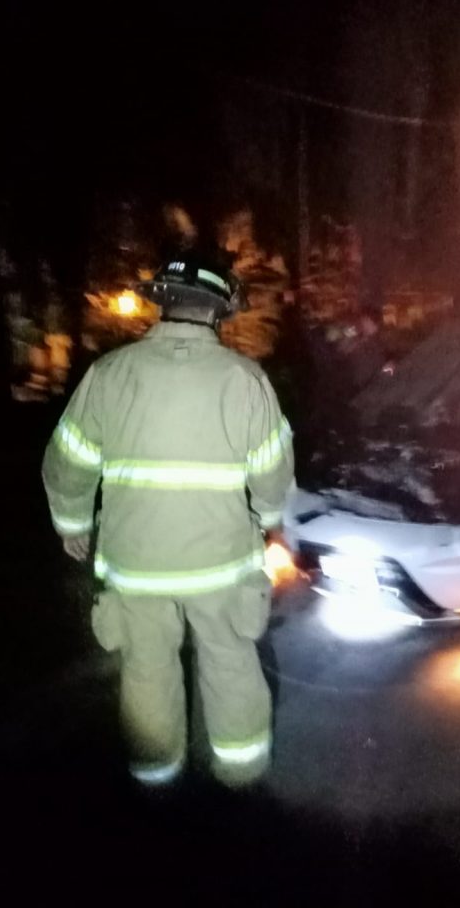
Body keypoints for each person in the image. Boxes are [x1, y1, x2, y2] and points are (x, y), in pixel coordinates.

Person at [42, 252, 294, 787]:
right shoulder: (245, 379)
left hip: (137, 567)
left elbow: (68, 462)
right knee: (230, 661)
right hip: (221, 566)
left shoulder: (109, 375)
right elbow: (273, 473)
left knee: (146, 669)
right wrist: (268, 520)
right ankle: (242, 775)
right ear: (219, 311)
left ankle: (156, 777)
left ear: (162, 304)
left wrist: (73, 525)